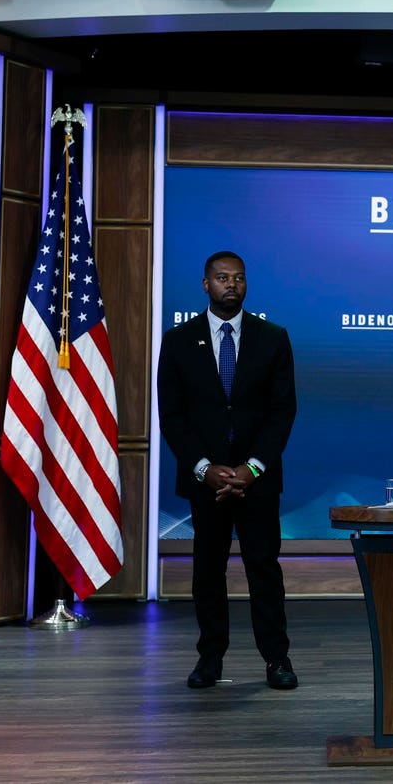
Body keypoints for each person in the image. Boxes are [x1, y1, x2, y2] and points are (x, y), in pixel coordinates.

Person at [157, 250, 300, 691]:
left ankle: (277, 659)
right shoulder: (178, 340)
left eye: (238, 278)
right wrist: (205, 468)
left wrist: (251, 468)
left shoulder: (273, 338)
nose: (231, 285)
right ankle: (210, 659)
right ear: (206, 285)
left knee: (264, 569)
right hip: (207, 482)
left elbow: (282, 411)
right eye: (222, 278)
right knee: (207, 572)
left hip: (257, 479)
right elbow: (172, 416)